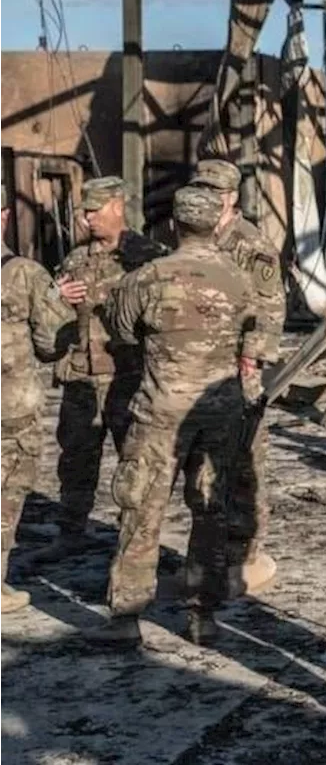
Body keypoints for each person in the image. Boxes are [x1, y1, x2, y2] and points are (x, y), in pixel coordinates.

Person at [92, 186, 255, 646]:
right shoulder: (239, 279)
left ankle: (126, 616)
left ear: (174, 226)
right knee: (210, 510)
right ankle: (202, 614)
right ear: (214, 224)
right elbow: (254, 334)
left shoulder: (145, 278)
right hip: (219, 413)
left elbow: (121, 332)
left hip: (160, 411)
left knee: (142, 508)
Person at [34, 177, 167, 561]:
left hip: (128, 378)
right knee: (75, 458)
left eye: (95, 210)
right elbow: (51, 317)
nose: (87, 218)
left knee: (136, 463)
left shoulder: (147, 257)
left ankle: (135, 542)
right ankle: (71, 531)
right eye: (84, 211)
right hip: (82, 378)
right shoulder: (76, 259)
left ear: (118, 207)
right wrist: (57, 297)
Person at [190, 158, 286, 596]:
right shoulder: (196, 237)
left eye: (214, 191)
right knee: (205, 465)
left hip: (239, 369)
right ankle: (212, 552)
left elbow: (270, 311)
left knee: (245, 464)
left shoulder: (250, 244)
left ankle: (245, 555)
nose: (207, 197)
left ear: (231, 197)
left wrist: (252, 359)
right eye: (201, 189)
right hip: (202, 366)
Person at [0, 204, 77, 613]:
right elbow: (51, 345)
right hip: (11, 407)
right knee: (8, 493)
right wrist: (56, 301)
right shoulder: (27, 273)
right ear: (5, 215)